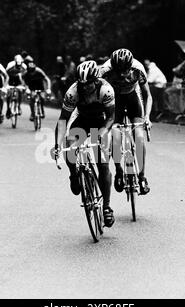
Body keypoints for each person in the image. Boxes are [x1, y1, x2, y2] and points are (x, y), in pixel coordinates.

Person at [51, 61, 116, 227]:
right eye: (82, 84)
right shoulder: (72, 92)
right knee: (70, 144)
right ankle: (74, 174)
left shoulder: (105, 89)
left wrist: (102, 133)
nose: (85, 88)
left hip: (100, 122)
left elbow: (110, 118)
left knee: (102, 164)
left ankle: (107, 207)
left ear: (96, 80)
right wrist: (57, 145)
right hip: (81, 120)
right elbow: (63, 120)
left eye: (88, 84)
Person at [99, 48, 152, 195]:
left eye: (125, 71)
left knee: (139, 137)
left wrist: (147, 117)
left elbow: (148, 95)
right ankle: (119, 171)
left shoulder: (138, 69)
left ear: (130, 66)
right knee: (115, 137)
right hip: (114, 100)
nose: (122, 74)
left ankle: (142, 176)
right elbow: (99, 96)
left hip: (132, 97)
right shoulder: (104, 71)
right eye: (118, 71)